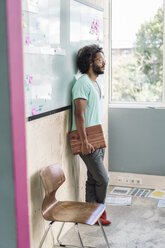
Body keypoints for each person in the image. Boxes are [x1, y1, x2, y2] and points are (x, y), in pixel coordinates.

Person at [71, 44, 111, 225]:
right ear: (89, 61)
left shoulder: (95, 84)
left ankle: (91, 214)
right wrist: (84, 141)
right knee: (103, 178)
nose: (104, 63)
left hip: (97, 137)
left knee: (92, 178)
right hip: (86, 139)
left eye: (104, 59)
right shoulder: (82, 83)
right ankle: (99, 211)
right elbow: (79, 114)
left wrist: (98, 139)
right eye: (100, 60)